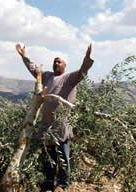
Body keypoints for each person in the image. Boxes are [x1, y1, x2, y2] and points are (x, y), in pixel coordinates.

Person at [15, 43, 93, 192]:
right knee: (48, 157)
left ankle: (62, 185)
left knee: (63, 156)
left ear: (65, 65)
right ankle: (48, 183)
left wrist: (87, 60)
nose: (56, 63)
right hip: (46, 125)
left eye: (59, 61)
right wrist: (24, 56)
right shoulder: (47, 76)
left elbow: (83, 71)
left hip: (61, 125)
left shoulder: (70, 78)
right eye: (54, 61)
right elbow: (34, 69)